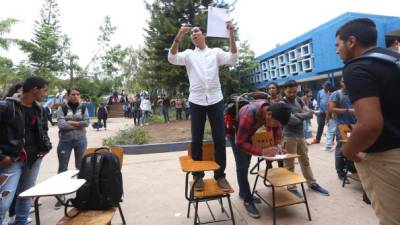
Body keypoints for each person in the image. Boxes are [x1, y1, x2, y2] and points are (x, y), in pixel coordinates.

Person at [336, 18, 400, 224]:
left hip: (387, 159)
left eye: (338, 45)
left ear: (351, 41)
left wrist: (347, 151)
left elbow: (370, 125)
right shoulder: (394, 60)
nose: (337, 51)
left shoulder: (357, 68)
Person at [168, 21, 237, 191]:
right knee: (196, 139)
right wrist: (180, 34)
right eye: (191, 33)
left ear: (204, 34)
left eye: (197, 31)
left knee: (220, 139)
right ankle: (198, 176)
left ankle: (220, 176)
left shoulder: (215, 53)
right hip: (196, 100)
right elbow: (171, 57)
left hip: (215, 99)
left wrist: (231, 33)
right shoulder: (189, 55)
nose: (194, 34)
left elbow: (233, 58)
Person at [225, 101, 291, 218]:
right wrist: (262, 151)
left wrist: (278, 147)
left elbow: (278, 130)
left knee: (247, 162)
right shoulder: (248, 114)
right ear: (269, 115)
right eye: (275, 123)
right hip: (236, 133)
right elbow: (240, 142)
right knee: (242, 165)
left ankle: (243, 192)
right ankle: (247, 200)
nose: (276, 126)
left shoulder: (274, 113)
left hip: (250, 132)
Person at [0, 76, 52, 225]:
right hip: (11, 161)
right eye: (44, 90)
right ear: (35, 90)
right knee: (3, 203)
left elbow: (44, 130)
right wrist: (2, 156)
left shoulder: (40, 109)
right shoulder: (6, 107)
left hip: (33, 160)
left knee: (26, 197)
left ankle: (21, 222)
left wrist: (45, 148)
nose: (45, 94)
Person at [281, 80, 330, 196]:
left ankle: (312, 183)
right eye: (289, 92)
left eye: (294, 91)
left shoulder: (298, 99)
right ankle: (291, 187)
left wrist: (298, 115)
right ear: (284, 91)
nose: (292, 94)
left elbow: (309, 113)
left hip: (300, 135)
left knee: (305, 161)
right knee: (289, 163)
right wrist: (303, 115)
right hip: (288, 137)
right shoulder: (282, 104)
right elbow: (291, 121)